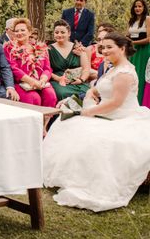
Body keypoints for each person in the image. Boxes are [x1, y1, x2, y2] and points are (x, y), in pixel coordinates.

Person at [43, 32, 150, 212]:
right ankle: (64, 175)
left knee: (90, 136)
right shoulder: (113, 67)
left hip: (121, 118)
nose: (105, 50)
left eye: (110, 47)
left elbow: (116, 102)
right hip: (105, 114)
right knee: (65, 124)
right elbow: (100, 90)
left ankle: (84, 182)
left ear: (122, 49)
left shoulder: (125, 73)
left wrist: (89, 111)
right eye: (103, 47)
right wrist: (91, 94)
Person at [4, 18, 57, 107]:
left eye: (22, 30)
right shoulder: (9, 48)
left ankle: (45, 121)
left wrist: (43, 80)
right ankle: (34, 121)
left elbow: (47, 68)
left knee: (50, 96)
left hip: (40, 82)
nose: (19, 33)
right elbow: (13, 68)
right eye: (16, 31)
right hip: (20, 83)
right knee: (34, 98)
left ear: (29, 32)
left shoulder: (40, 48)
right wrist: (31, 81)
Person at [48, 20, 90, 100]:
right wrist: (59, 78)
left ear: (69, 33)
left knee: (88, 91)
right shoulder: (48, 49)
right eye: (56, 32)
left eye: (63, 32)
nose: (59, 35)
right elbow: (46, 69)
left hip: (77, 80)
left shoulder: (78, 48)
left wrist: (81, 80)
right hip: (58, 81)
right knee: (62, 93)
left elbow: (86, 68)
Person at [128, 0, 150, 104]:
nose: (137, 8)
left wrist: (133, 43)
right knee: (133, 74)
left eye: (140, 6)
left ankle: (141, 101)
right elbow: (129, 35)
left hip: (144, 50)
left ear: (144, 7)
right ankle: (130, 101)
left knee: (141, 74)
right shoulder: (131, 20)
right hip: (134, 51)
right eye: (136, 6)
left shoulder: (147, 19)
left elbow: (149, 39)